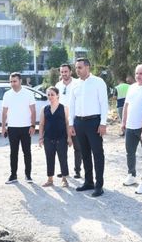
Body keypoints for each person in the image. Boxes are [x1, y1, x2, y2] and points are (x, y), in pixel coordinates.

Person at [68, 58, 109, 197]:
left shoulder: (98, 82)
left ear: (87, 67)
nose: (77, 70)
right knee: (84, 153)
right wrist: (71, 124)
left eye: (79, 67)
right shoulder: (75, 84)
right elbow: (72, 105)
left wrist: (103, 122)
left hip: (94, 122)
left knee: (97, 154)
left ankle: (99, 185)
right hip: (79, 123)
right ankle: (88, 182)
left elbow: (104, 103)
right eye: (76, 67)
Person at [2, 72, 36, 184]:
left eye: (15, 81)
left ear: (20, 81)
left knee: (27, 152)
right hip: (12, 128)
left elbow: (33, 111)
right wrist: (3, 127)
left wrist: (32, 125)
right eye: (11, 81)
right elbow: (4, 112)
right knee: (13, 153)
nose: (13, 83)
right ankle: (13, 175)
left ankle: (28, 175)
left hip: (26, 127)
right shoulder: (7, 94)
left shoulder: (28, 94)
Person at [38, 86, 71, 188]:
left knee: (63, 158)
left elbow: (67, 123)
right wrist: (40, 138)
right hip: (48, 138)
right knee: (49, 158)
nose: (50, 96)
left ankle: (64, 179)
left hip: (61, 138)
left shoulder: (64, 108)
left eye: (52, 94)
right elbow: (42, 124)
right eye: (48, 94)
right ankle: (50, 179)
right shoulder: (44, 109)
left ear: (57, 96)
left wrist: (69, 137)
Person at [55, 63, 82, 178]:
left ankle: (77, 170)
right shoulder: (58, 85)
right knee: (61, 148)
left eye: (66, 71)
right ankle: (64, 170)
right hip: (61, 120)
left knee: (77, 147)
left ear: (71, 72)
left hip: (75, 120)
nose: (64, 74)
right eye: (62, 72)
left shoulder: (77, 83)